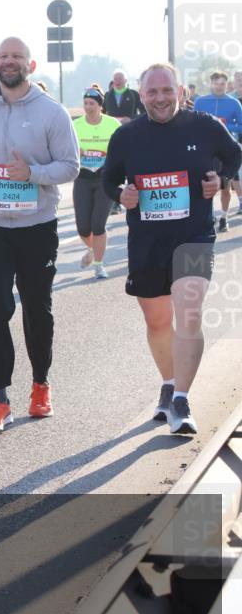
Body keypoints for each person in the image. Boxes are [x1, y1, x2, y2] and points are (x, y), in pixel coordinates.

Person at [102, 63, 241, 434]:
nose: (160, 98)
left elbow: (234, 154)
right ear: (141, 94)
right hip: (147, 241)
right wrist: (122, 195)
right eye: (152, 92)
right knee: (158, 322)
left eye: (167, 91)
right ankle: (167, 384)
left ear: (180, 91)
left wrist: (220, 179)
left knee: (190, 310)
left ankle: (181, 398)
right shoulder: (126, 136)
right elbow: (108, 179)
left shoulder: (205, 126)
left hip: (194, 235)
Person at [0, 37, 80, 433]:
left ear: (31, 64)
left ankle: (41, 384)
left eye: (16, 57)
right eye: (3, 56)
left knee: (36, 308)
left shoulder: (52, 113)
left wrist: (34, 174)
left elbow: (71, 166)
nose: (9, 62)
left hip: (37, 226)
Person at [72, 85, 121, 279]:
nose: (88, 107)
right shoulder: (76, 126)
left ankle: (99, 265)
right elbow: (66, 149)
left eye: (92, 103)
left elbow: (121, 150)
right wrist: (78, 153)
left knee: (98, 224)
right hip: (83, 179)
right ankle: (94, 250)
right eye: (85, 103)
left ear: (100, 105)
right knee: (83, 227)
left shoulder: (112, 124)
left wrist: (113, 159)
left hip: (104, 180)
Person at [192, 71, 242, 231]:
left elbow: (241, 126)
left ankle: (223, 217)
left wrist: (225, 125)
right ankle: (208, 217)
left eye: (222, 84)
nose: (219, 87)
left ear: (227, 85)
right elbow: (193, 124)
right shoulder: (200, 101)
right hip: (205, 150)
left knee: (226, 187)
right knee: (205, 186)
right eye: (216, 84)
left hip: (226, 150)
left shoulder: (234, 103)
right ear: (211, 84)